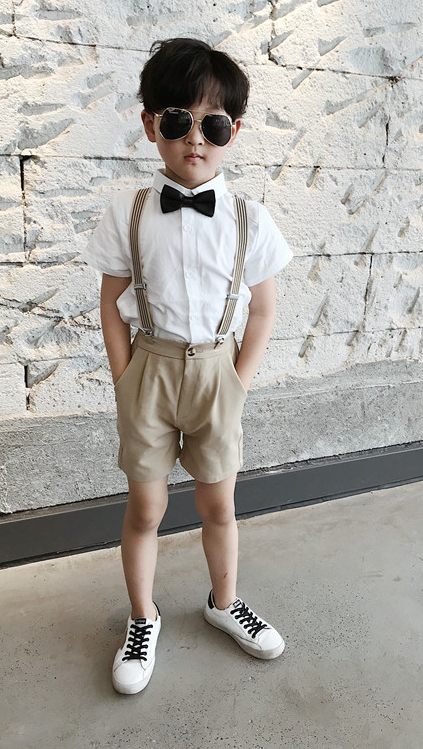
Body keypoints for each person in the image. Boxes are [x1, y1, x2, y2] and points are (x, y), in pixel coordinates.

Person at [78, 37, 293, 695]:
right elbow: (111, 303)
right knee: (146, 507)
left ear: (234, 132)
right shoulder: (129, 212)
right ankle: (143, 617)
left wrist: (237, 383)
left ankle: (224, 602)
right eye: (177, 120)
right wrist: (124, 380)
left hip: (216, 374)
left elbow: (262, 310)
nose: (195, 138)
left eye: (213, 124)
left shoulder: (249, 218)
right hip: (149, 372)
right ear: (150, 125)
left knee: (219, 503)